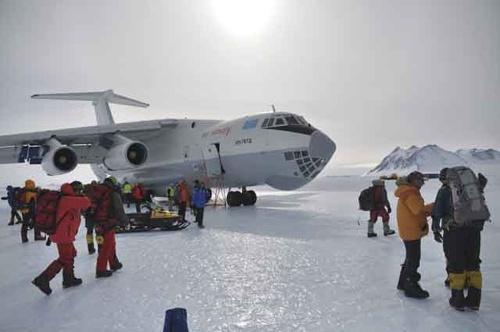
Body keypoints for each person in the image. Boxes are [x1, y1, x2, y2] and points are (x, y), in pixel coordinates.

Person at [432, 168, 488, 311]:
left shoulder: (444, 191)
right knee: (473, 263)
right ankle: (474, 300)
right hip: (474, 230)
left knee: (455, 263)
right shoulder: (472, 189)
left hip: (454, 231)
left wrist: (435, 228)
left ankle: (457, 300)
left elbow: (437, 211)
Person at [31, 182, 91, 295]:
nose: (80, 193)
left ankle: (69, 279)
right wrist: (81, 195)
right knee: (65, 258)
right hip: (63, 235)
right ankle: (43, 279)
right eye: (79, 191)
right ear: (75, 190)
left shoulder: (64, 198)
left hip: (62, 234)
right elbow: (86, 203)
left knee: (72, 253)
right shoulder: (67, 199)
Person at [394, 171, 434, 299]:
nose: (422, 182)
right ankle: (410, 287)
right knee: (413, 259)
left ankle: (403, 283)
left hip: (408, 229)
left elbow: (416, 210)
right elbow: (417, 210)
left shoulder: (407, 191)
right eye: (420, 180)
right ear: (413, 181)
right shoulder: (410, 193)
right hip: (411, 230)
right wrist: (434, 206)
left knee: (410, 258)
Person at [94, 177, 128, 278]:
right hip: (108, 222)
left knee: (110, 244)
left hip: (98, 222)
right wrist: (124, 220)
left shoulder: (97, 191)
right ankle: (101, 269)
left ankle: (114, 264)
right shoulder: (112, 193)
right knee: (107, 246)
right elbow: (118, 209)